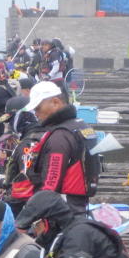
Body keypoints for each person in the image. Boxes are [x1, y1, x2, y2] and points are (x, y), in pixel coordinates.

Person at [22, 81, 98, 215]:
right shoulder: (82, 126)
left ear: (55, 102)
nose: (36, 114)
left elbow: (51, 184)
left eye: (38, 108)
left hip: (62, 211)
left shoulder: (60, 136)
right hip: (80, 206)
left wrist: (30, 216)